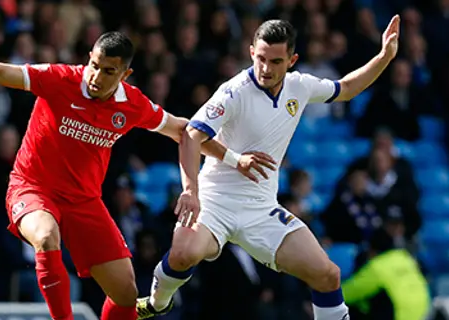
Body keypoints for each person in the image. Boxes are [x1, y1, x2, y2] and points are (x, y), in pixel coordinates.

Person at [0, 32, 262, 320]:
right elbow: (2, 70)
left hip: (84, 201)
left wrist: (234, 158)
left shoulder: (132, 104)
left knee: (125, 295)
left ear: (125, 75)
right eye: (94, 65)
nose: (96, 76)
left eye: (108, 71)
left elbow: (184, 131)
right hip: (33, 188)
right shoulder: (60, 79)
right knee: (44, 236)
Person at [137, 16, 400, 320]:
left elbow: (347, 89)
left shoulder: (300, 86)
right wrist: (190, 191)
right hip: (214, 201)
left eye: (275, 61)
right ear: (251, 53)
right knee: (184, 254)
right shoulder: (233, 92)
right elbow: (191, 136)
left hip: (260, 208)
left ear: (292, 60)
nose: (265, 68)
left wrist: (384, 57)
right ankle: (157, 303)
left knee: (328, 274)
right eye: (261, 58)